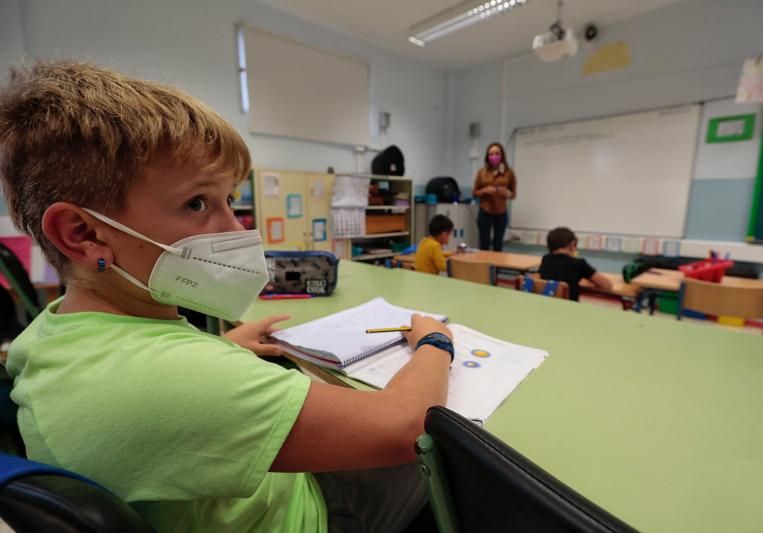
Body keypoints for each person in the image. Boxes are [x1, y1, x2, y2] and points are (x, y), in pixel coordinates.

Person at [0, 61, 452, 533]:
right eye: (196, 203)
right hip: (307, 515)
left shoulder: (54, 332)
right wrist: (433, 342)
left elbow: (153, 394)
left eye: (229, 200)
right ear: (84, 233)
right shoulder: (169, 379)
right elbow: (406, 426)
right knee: (448, 461)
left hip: (251, 490)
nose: (236, 229)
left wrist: (223, 348)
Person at [538, 227, 612, 301]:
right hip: (571, 308)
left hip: (547, 305)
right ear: (573, 244)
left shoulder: (546, 259)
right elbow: (607, 285)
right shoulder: (578, 263)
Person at [472, 142, 516, 252]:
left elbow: (513, 194)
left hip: (501, 212)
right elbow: (474, 192)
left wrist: (507, 193)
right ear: (487, 156)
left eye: (497, 153)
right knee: (484, 243)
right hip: (485, 211)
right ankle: (483, 268)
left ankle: (496, 268)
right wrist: (485, 190)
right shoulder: (481, 172)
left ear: (502, 155)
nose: (494, 156)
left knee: (498, 245)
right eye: (491, 154)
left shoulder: (509, 173)